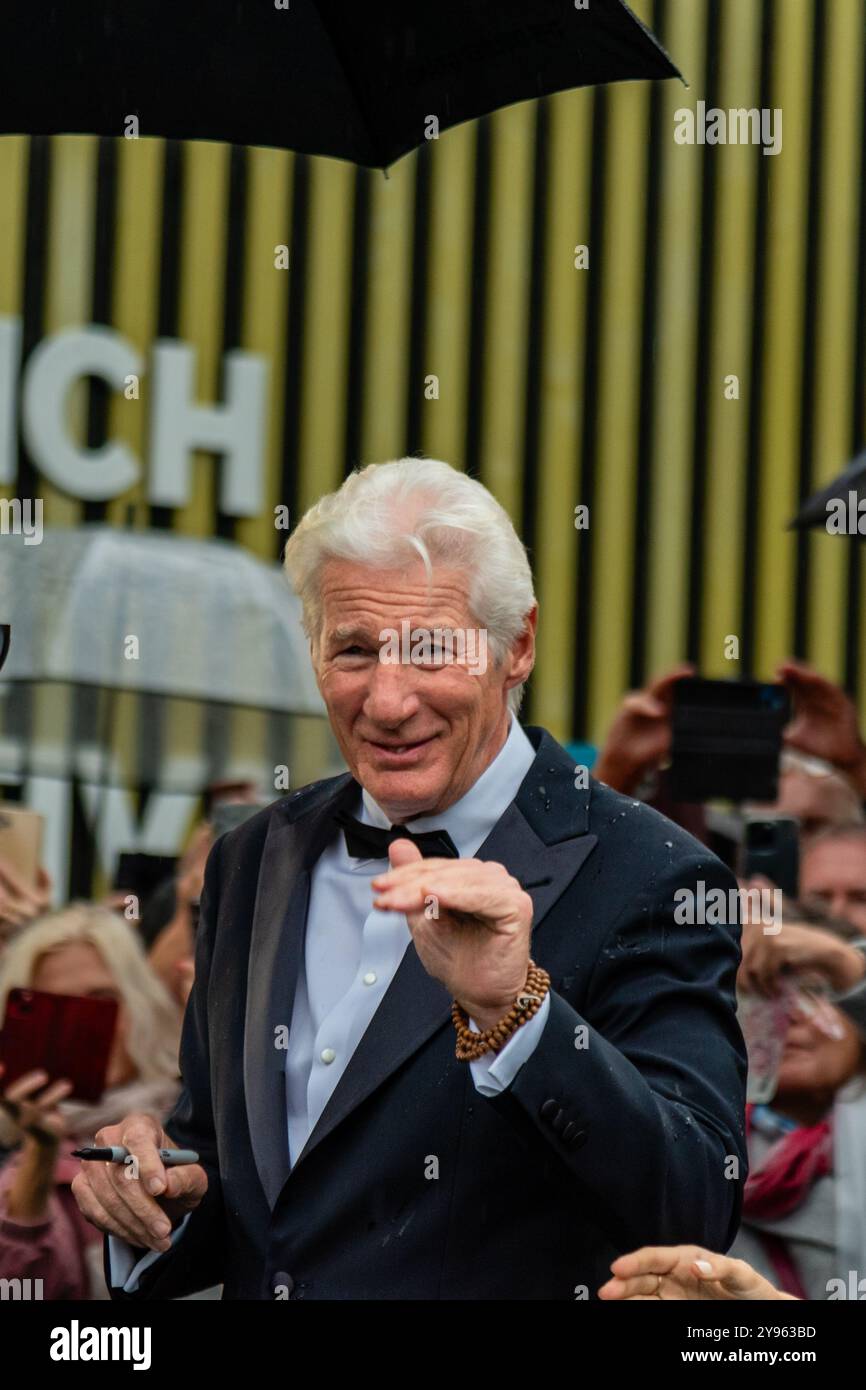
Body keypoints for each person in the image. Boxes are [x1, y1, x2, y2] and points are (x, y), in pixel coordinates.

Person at [73, 456, 748, 1301]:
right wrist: (156, 1189)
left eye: (430, 649)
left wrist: (516, 1013)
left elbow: (693, 1201)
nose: (387, 701)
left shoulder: (653, 872)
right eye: (353, 650)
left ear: (519, 647)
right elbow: (248, 1187)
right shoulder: (253, 856)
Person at [0, 903, 182, 1298]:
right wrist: (40, 1153)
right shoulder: (22, 1166)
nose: (83, 1026)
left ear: (140, 1004)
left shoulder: (203, 1119)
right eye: (59, 1008)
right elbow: (19, 1290)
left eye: (101, 1000)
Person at [731, 902, 866, 1299]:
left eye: (814, 991)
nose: (789, 1015)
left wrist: (844, 962)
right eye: (763, 994)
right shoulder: (705, 1152)